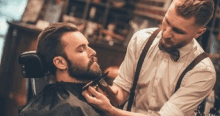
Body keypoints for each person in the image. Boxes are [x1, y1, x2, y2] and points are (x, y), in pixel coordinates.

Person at [82, 0, 216, 116]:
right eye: (167, 21)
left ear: (199, 32)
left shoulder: (203, 71)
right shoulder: (141, 40)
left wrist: (112, 111)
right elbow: (122, 89)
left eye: (178, 31)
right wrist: (105, 94)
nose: (166, 33)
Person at [19, 23, 105, 116]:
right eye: (81, 50)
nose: (93, 52)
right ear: (60, 62)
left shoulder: (85, 99)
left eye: (88, 46)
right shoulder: (66, 109)